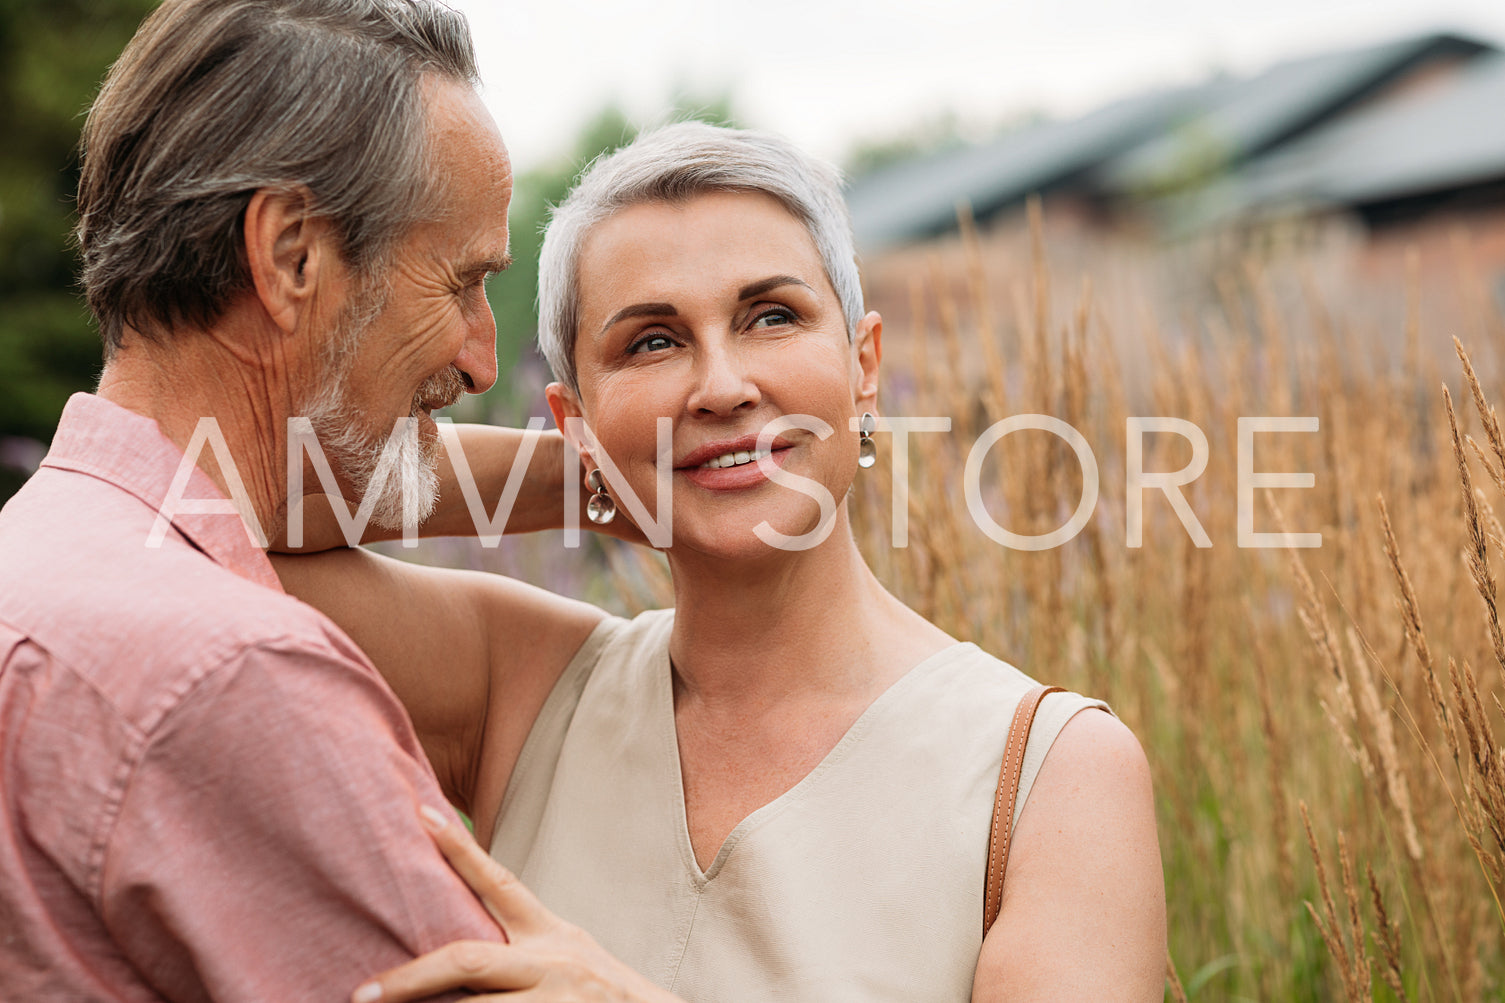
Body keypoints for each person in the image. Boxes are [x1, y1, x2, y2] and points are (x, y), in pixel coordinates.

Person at [275, 122, 1167, 1002]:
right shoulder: (521, 685)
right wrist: (596, 471)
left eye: (771, 316)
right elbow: (199, 494)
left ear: (864, 368)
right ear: (570, 411)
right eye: (652, 342)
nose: (721, 386)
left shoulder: (1050, 773)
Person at [0, 2, 668, 1000]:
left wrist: (616, 484)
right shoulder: (238, 676)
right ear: (292, 255)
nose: (485, 358)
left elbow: (292, 488)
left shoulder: (48, 559)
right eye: (459, 284)